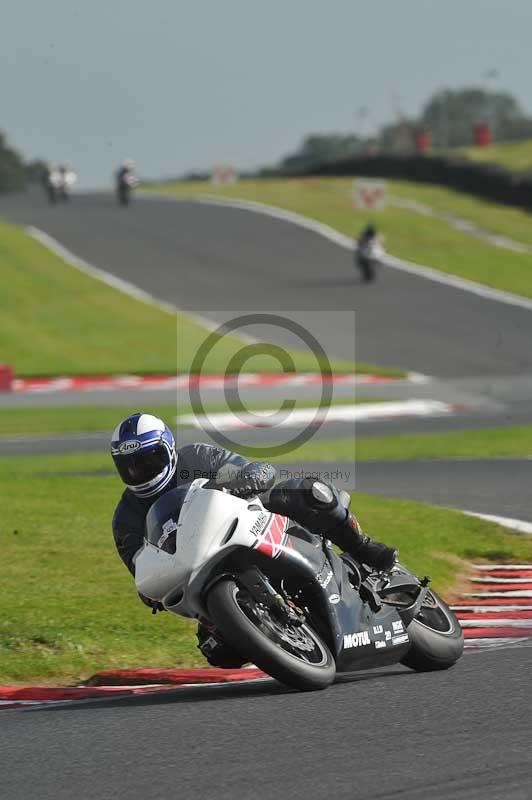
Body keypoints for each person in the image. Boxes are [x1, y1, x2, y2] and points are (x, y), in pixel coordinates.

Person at [111, 412, 397, 667]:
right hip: (195, 568)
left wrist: (247, 479)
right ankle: (276, 633)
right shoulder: (126, 518)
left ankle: (363, 547)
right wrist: (151, 590)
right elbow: (141, 569)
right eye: (130, 466)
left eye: (151, 459)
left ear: (169, 449)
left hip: (245, 520)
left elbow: (255, 469)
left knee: (312, 493)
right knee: (218, 652)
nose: (140, 471)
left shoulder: (195, 457)